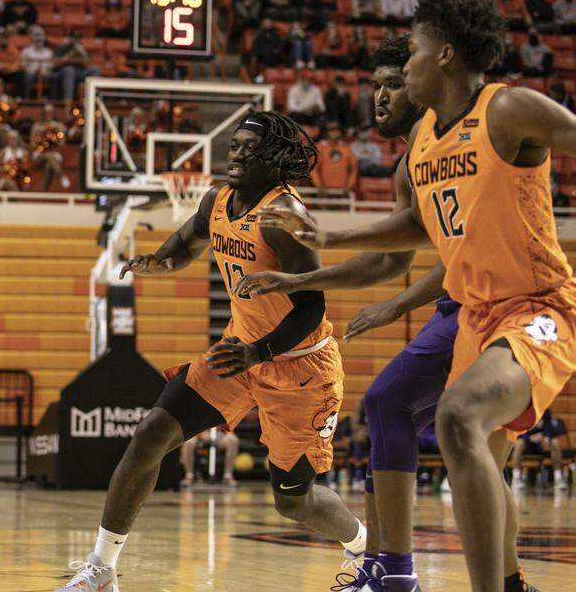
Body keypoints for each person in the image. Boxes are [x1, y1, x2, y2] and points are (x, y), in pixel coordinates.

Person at [256, 0, 576, 592]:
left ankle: (419, 575)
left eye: (412, 52)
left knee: (456, 416)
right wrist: (328, 236)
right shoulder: (424, 145)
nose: (403, 67)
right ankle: (509, 583)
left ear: (445, 55)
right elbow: (418, 227)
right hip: (478, 316)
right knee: (480, 455)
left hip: (541, 305)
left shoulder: (506, 108)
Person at [53, 111, 366, 592]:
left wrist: (259, 352)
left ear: (274, 159)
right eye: (234, 145)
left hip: (301, 367)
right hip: (239, 352)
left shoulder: (284, 218)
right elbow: (189, 239)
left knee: (293, 500)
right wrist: (160, 260)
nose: (236, 154)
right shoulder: (217, 199)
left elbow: (311, 307)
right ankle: (102, 568)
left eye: (249, 148)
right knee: (151, 433)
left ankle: (364, 547)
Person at [510, 408, 571, 490]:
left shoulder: (544, 409)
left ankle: (558, 478)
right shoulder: (523, 409)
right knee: (518, 444)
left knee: (555, 443)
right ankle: (516, 478)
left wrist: (546, 437)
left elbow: (549, 426)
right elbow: (518, 431)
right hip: (527, 441)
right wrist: (529, 437)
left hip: (541, 441)